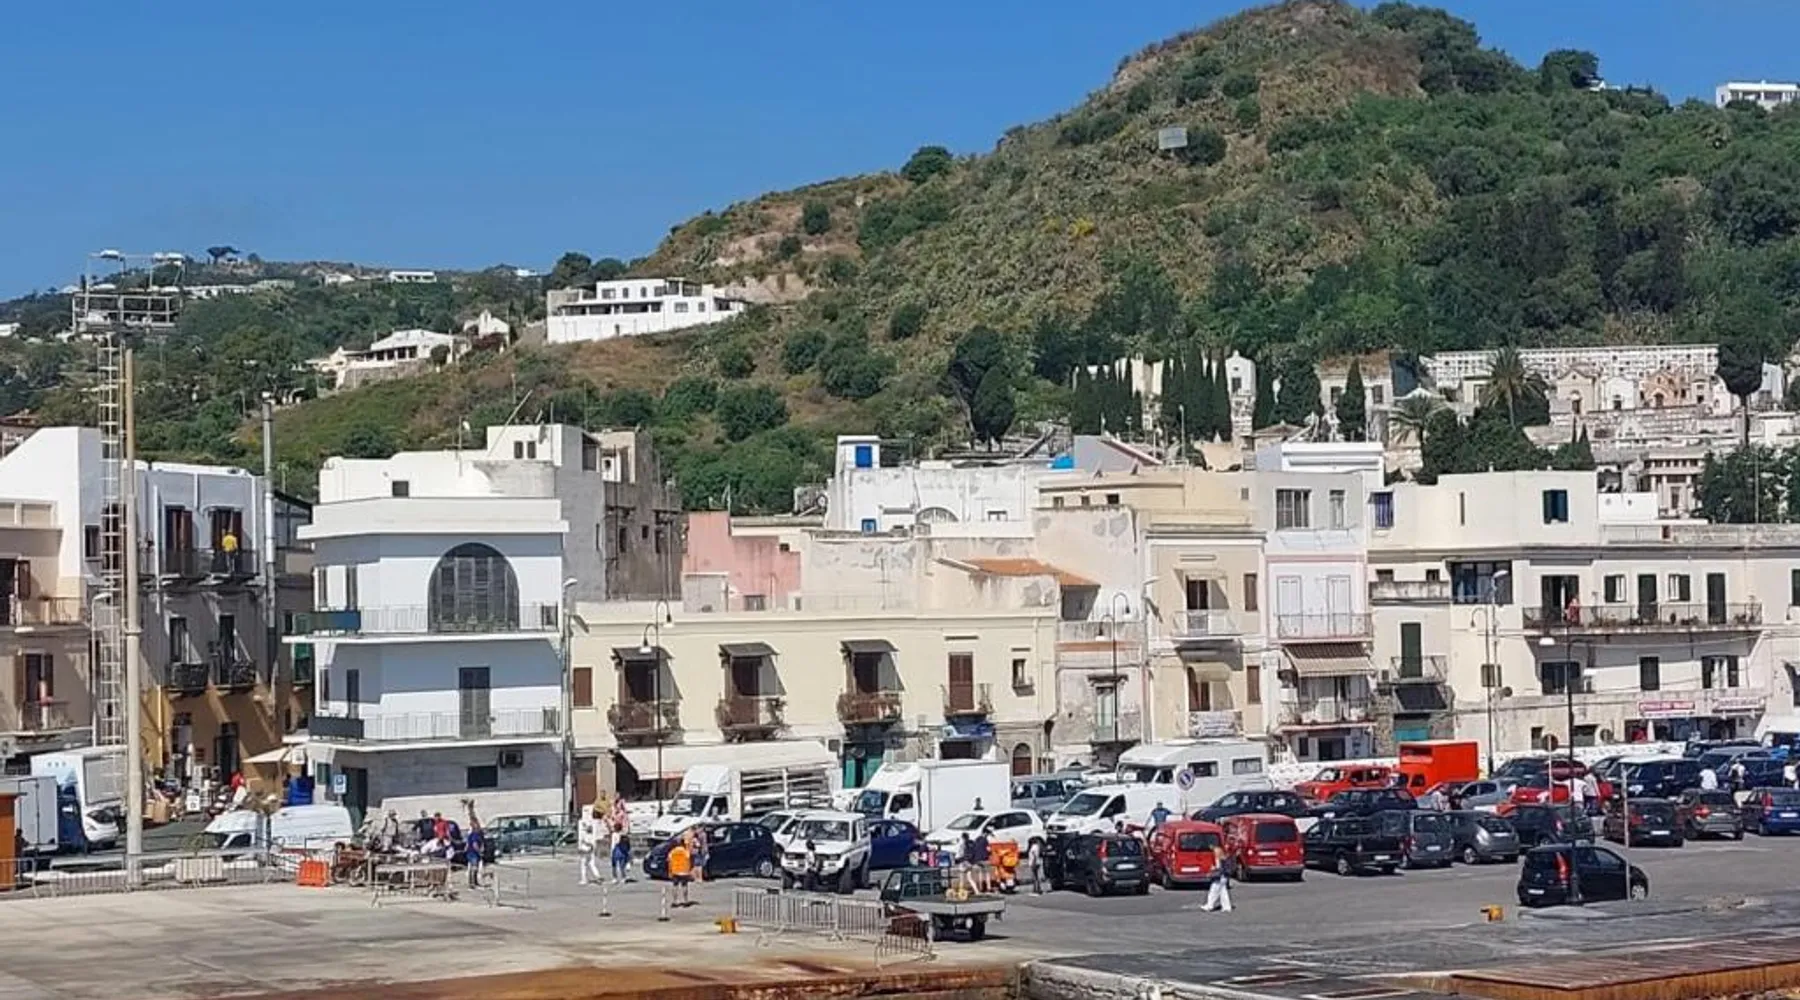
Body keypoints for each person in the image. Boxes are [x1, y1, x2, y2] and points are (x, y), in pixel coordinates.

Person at [577, 804, 606, 886]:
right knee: (591, 863)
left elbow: (582, 838)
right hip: (590, 848)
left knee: (583, 864)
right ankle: (597, 876)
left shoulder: (583, 824)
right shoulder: (592, 824)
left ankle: (584, 879)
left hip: (585, 848)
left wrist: (581, 846)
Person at [1200, 843, 1232, 913]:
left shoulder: (1218, 858)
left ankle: (1209, 906)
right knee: (1223, 892)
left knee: (1213, 892)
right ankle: (1227, 907)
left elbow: (1218, 868)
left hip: (1219, 877)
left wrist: (1212, 869)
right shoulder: (1224, 858)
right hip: (1224, 877)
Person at [667, 835, 693, 907]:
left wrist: (670, 872)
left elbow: (669, 862)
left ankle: (675, 901)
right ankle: (685, 901)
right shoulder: (685, 851)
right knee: (684, 886)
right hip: (684, 871)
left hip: (675, 871)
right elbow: (689, 860)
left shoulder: (672, 852)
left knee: (675, 886)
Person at [464, 823, 486, 889]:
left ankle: (472, 882)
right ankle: (473, 883)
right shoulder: (475, 835)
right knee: (474, 868)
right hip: (473, 853)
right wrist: (479, 852)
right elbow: (475, 844)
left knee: (471, 868)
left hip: (470, 853)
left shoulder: (470, 835)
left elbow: (467, 845)